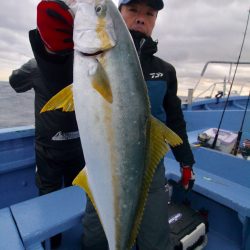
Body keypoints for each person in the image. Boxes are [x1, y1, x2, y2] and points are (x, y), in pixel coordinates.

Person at [17, 0, 195, 249]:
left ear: (155, 20)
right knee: (95, 238)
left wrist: (186, 161)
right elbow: (54, 73)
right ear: (120, 15)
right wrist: (51, 52)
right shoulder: (80, 59)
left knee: (155, 239)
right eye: (133, 10)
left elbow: (175, 118)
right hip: (101, 169)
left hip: (151, 169)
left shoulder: (164, 70)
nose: (141, 18)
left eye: (149, 13)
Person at [8, 1, 85, 248]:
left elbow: (14, 83)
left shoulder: (34, 67)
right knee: (77, 195)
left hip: (49, 150)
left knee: (48, 198)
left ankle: (54, 242)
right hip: (79, 148)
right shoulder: (83, 67)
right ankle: (76, 237)